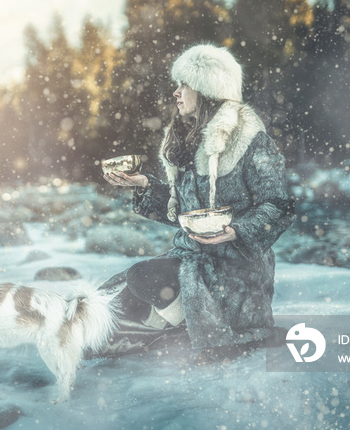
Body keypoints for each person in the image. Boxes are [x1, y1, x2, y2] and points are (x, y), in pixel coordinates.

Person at [100, 44, 296, 362]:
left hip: (234, 272)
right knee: (111, 303)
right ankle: (162, 322)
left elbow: (278, 206)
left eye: (184, 85)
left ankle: (190, 326)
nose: (176, 93)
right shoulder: (189, 143)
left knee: (141, 277)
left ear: (207, 90)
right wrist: (145, 185)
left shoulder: (251, 140)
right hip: (190, 259)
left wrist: (236, 231)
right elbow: (184, 213)